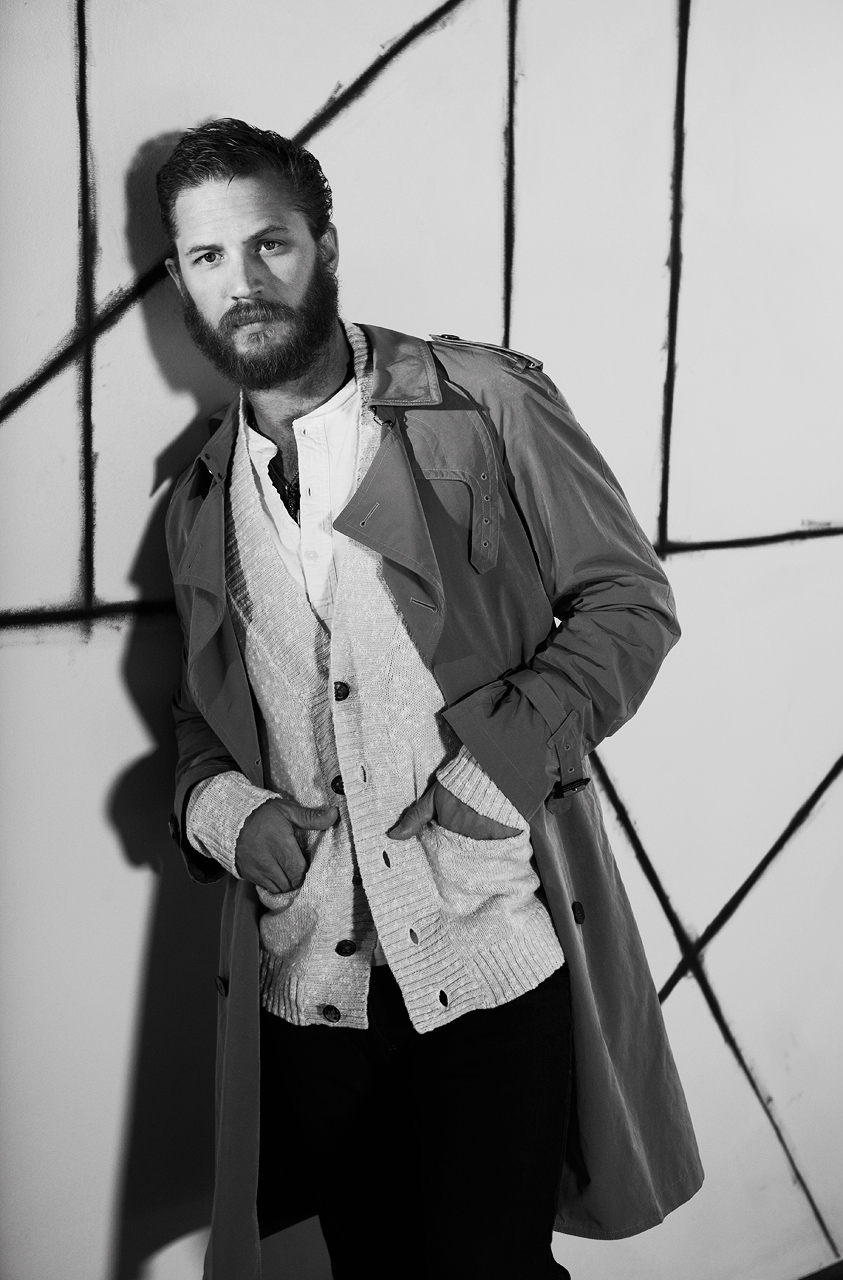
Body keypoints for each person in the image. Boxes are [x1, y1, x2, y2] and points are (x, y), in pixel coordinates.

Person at [159, 118, 702, 1280]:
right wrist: (224, 814)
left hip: (492, 961)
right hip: (313, 992)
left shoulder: (481, 401)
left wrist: (491, 763)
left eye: (268, 244)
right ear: (179, 279)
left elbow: (627, 604)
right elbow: (200, 717)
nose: (242, 282)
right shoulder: (197, 496)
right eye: (208, 256)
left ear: (324, 246)